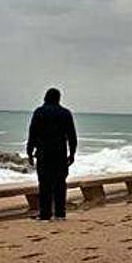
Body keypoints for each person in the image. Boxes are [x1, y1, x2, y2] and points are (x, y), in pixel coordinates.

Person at [26, 88, 77, 221]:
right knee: (60, 183)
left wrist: (29, 153)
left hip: (43, 153)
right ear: (59, 98)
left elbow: (32, 133)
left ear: (45, 98)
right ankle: (60, 214)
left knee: (44, 184)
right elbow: (72, 135)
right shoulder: (65, 113)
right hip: (60, 153)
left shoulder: (39, 112)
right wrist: (72, 154)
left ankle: (45, 214)